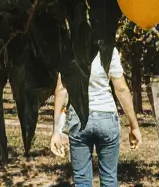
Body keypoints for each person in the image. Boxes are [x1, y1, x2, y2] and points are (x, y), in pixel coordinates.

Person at [50, 48, 142, 187]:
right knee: (109, 179)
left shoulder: (71, 47)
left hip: (79, 119)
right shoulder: (109, 49)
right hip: (106, 118)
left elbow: (61, 89)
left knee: (81, 180)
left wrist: (56, 131)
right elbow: (121, 88)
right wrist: (134, 125)